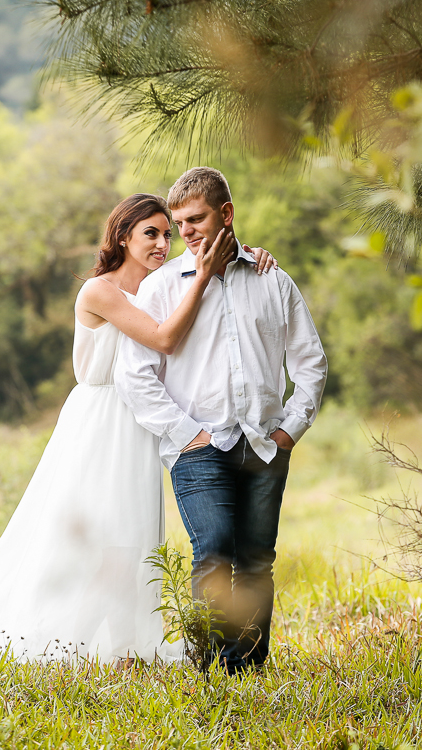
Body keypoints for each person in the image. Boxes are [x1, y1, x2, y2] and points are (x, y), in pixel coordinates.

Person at [0, 193, 276, 664]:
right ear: (122, 236)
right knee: (92, 527)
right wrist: (206, 274)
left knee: (131, 532)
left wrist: (253, 258)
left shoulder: (163, 284)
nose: (162, 243)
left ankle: (125, 642)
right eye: (150, 233)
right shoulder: (100, 291)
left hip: (142, 418)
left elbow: (212, 304)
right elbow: (165, 338)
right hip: (101, 417)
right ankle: (67, 632)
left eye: (166, 234)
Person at [116, 167, 327, 674]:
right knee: (212, 553)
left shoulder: (272, 279)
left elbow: (310, 362)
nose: (184, 232)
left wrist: (288, 430)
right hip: (198, 448)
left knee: (256, 559)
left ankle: (247, 669)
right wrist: (189, 435)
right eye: (177, 223)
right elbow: (135, 375)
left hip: (264, 445)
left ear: (226, 214)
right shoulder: (163, 287)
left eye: (196, 219)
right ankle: (210, 669)